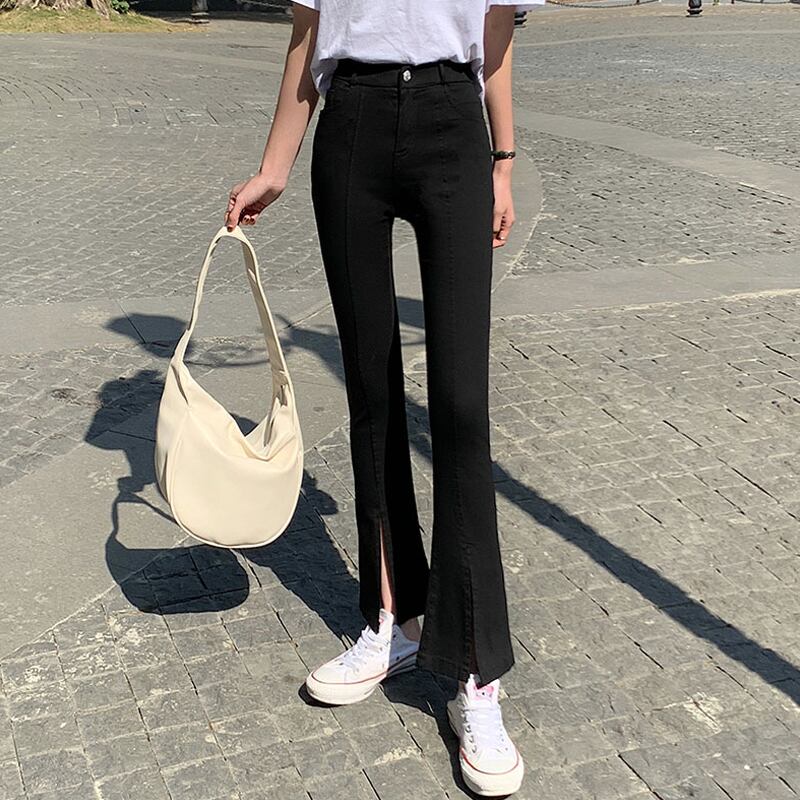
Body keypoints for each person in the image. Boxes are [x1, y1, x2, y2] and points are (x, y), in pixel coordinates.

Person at [224, 1, 539, 795]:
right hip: (352, 126)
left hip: (451, 121)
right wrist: (275, 166)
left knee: (461, 408)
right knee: (370, 390)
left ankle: (475, 669)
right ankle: (392, 619)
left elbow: (496, 28)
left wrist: (503, 161)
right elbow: (307, 36)